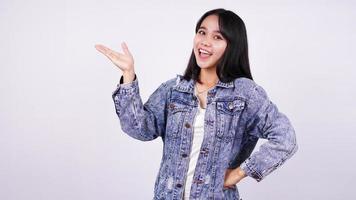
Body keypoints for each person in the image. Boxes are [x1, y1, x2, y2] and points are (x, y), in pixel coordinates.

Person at [95, 8, 298, 200]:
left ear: (233, 45)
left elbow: (285, 138)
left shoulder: (245, 93)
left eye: (217, 37)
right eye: (202, 32)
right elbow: (140, 129)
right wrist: (128, 75)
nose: (205, 42)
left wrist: (239, 173)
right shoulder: (173, 90)